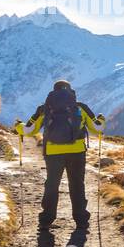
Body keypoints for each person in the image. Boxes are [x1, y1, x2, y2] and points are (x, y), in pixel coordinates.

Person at [15, 80, 105, 231]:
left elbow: (29, 130)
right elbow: (97, 128)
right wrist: (101, 119)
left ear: (53, 91)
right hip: (76, 152)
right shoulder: (81, 108)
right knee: (77, 185)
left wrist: (18, 125)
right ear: (71, 91)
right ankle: (81, 219)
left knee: (52, 184)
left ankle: (46, 219)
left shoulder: (45, 108)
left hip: (53, 153)